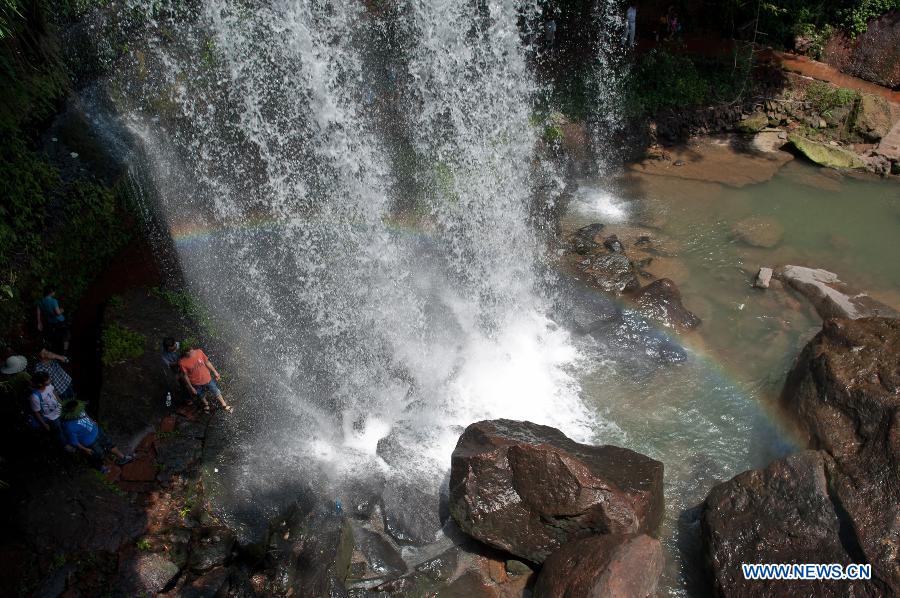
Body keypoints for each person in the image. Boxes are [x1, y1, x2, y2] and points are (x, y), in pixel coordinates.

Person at [60, 400, 133, 471]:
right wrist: (85, 449)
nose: (79, 408)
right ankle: (101, 467)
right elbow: (74, 442)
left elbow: (86, 415)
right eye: (76, 409)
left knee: (109, 444)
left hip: (98, 431)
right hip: (90, 442)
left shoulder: (79, 409)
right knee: (98, 455)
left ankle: (123, 457)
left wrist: (92, 421)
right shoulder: (68, 426)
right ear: (71, 412)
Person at [177, 343, 233, 413]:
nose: (192, 352)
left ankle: (224, 404)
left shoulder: (199, 352)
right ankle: (206, 404)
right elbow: (185, 376)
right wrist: (191, 387)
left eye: (192, 350)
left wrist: (215, 372)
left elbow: (207, 362)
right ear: (184, 353)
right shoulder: (182, 362)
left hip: (207, 378)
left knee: (215, 390)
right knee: (200, 394)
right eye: (189, 351)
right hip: (195, 382)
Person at [29, 371, 64, 444]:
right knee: (59, 431)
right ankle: (64, 444)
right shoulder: (34, 397)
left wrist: (62, 403)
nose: (50, 380)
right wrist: (44, 424)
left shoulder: (49, 386)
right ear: (40, 384)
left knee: (64, 426)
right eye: (47, 380)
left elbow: (54, 393)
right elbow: (36, 412)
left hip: (60, 410)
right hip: (52, 418)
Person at [37, 285, 70, 354]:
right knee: (66, 335)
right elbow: (57, 313)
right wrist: (62, 310)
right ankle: (65, 352)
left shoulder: (40, 302)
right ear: (51, 292)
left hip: (50, 322)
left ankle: (54, 352)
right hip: (59, 321)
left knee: (54, 337)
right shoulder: (53, 301)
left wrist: (39, 323)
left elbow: (39, 313)